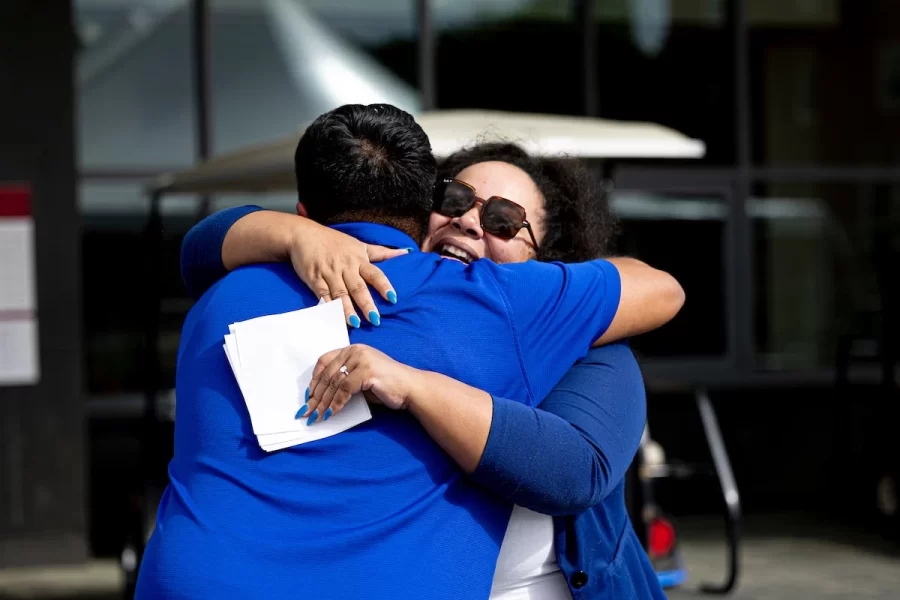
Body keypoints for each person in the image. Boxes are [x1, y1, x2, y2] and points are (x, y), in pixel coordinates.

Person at [137, 104, 682, 599]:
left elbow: (572, 472)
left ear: (554, 264)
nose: (470, 220)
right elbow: (200, 251)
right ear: (423, 209)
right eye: (455, 199)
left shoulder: (542, 320)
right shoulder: (405, 292)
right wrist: (292, 234)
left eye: (503, 221)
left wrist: (416, 387)